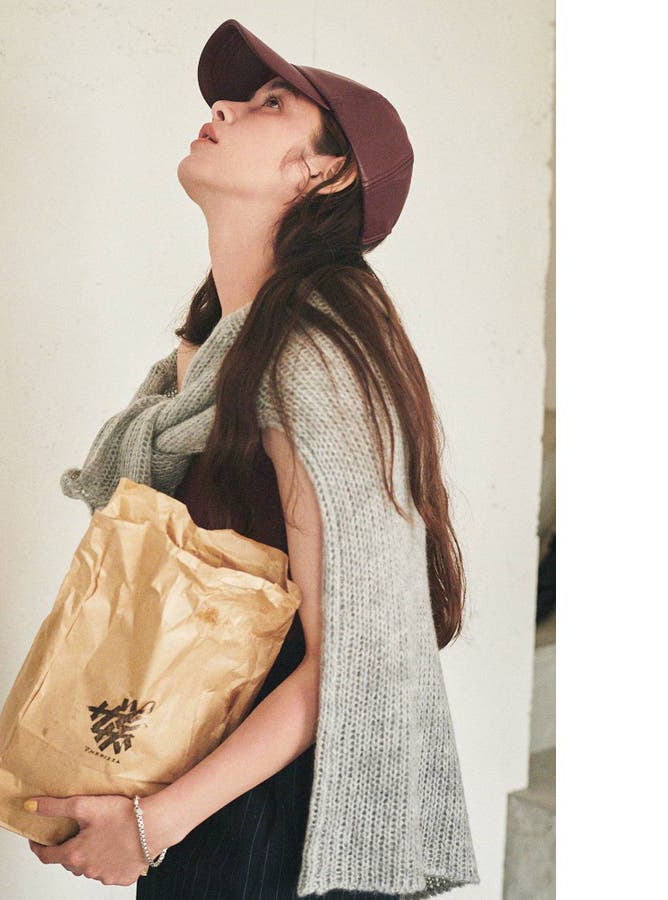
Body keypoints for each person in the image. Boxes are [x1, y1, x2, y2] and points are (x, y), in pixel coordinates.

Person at [26, 19, 480, 899]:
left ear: (325, 173)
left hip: (284, 834)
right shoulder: (207, 365)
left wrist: (152, 826)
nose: (227, 107)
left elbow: (348, 660)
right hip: (206, 796)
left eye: (271, 103)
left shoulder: (316, 361)